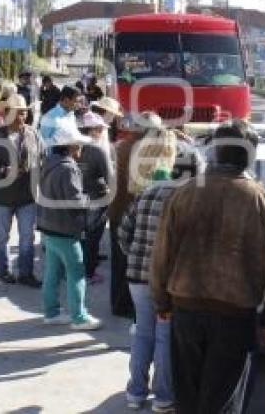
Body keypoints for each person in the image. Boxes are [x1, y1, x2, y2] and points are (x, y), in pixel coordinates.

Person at [151, 120, 265, 414]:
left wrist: (161, 301)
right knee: (223, 400)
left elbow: (161, 256)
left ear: (214, 152)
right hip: (235, 315)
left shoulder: (183, 194)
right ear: (250, 156)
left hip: (186, 309)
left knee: (187, 396)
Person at [118, 135, 184, 412]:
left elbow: (123, 232)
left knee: (142, 334)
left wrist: (134, 254)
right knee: (164, 337)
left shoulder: (145, 193)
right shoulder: (180, 197)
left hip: (136, 278)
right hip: (166, 281)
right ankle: (163, 397)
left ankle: (135, 393)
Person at [37, 120, 102, 330]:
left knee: (52, 273)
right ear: (71, 146)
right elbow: (74, 201)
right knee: (77, 273)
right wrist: (89, 200)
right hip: (66, 230)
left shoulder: (49, 163)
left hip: (49, 227)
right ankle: (79, 317)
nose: (81, 147)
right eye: (78, 144)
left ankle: (51, 312)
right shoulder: (69, 168)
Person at [107, 112, 169, 318]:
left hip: (116, 209)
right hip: (133, 212)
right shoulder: (145, 151)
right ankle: (129, 307)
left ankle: (118, 304)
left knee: (118, 262)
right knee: (131, 263)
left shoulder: (122, 146)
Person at [0, 94, 42, 286]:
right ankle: (4, 271)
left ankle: (26, 274)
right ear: (6, 113)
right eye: (17, 113)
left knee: (27, 237)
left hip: (27, 196)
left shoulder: (33, 134)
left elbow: (43, 157)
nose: (21, 117)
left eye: (24, 113)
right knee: (2, 237)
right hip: (2, 197)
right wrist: (3, 170)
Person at [77, 112, 113, 284]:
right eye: (99, 129)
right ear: (91, 131)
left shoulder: (70, 147)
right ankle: (89, 273)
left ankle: (75, 270)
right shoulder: (98, 152)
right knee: (92, 237)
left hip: (74, 199)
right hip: (96, 199)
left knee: (78, 237)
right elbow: (110, 178)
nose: (101, 133)